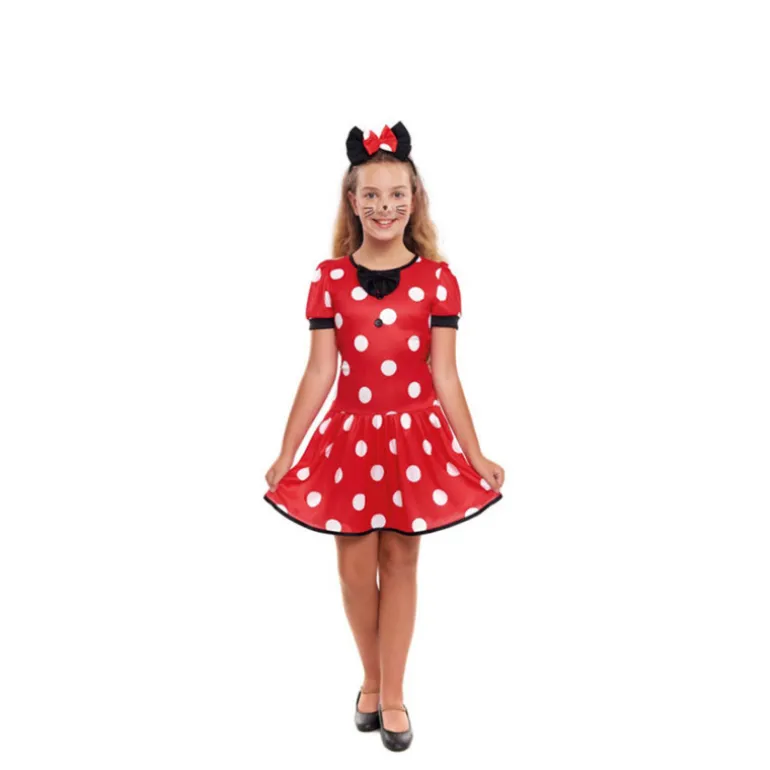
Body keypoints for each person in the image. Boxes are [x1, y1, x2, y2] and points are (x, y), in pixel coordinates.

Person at [263, 121, 505, 751]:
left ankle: (390, 694)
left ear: (414, 199)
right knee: (353, 569)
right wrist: (288, 450)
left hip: (414, 441)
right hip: (349, 440)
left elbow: (445, 376)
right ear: (352, 200)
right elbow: (320, 372)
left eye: (397, 194)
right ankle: (369, 678)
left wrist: (475, 453)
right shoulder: (328, 278)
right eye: (370, 194)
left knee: (400, 561)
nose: (384, 206)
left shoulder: (438, 280)